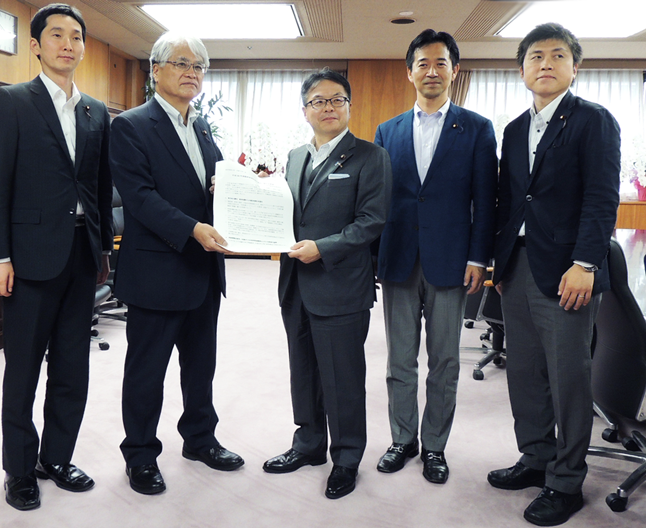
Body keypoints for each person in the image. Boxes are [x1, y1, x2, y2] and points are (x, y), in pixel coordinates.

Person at [487, 23, 620, 526]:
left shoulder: (593, 120)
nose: (546, 63)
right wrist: (500, 261)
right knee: (524, 373)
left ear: (574, 67)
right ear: (522, 69)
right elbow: (508, 201)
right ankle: (536, 457)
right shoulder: (514, 129)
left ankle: (566, 482)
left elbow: (602, 198)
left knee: (567, 379)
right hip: (517, 266)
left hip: (568, 270)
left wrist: (586, 263)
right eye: (535, 56)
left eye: (557, 55)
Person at [0, 3, 113, 511]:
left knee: (72, 367)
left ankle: (56, 458)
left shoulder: (95, 111)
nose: (67, 44)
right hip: (28, 258)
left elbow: (99, 186)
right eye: (56, 35)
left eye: (75, 36)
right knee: (23, 371)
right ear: (36, 46)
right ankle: (19, 469)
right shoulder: (12, 101)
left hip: (81, 255)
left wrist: (103, 250)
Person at [109, 31, 243, 496]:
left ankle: (200, 440)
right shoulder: (131, 126)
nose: (192, 73)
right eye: (181, 63)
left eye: (199, 66)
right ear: (156, 70)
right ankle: (140, 454)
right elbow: (139, 198)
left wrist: (236, 190)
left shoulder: (201, 127)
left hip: (203, 272)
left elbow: (214, 184)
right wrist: (192, 228)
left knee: (200, 366)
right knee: (147, 372)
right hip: (156, 272)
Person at [373, 29, 497, 484]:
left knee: (444, 361)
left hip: (452, 261)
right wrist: (374, 259)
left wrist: (479, 258)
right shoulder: (388, 131)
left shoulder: (477, 128)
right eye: (422, 63)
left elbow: (486, 201)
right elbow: (379, 202)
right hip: (399, 260)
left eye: (440, 62)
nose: (431, 71)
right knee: (399, 360)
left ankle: (435, 446)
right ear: (409, 73)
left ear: (454, 70)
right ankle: (402, 439)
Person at [262, 69, 392, 499]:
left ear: (349, 106)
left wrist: (323, 247)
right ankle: (308, 444)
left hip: (340, 285)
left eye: (337, 99)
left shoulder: (371, 156)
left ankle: (347, 457)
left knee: (342, 378)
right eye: (318, 101)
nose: (328, 107)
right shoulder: (296, 155)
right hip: (295, 285)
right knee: (303, 371)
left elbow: (371, 221)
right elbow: (287, 211)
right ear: (305, 111)